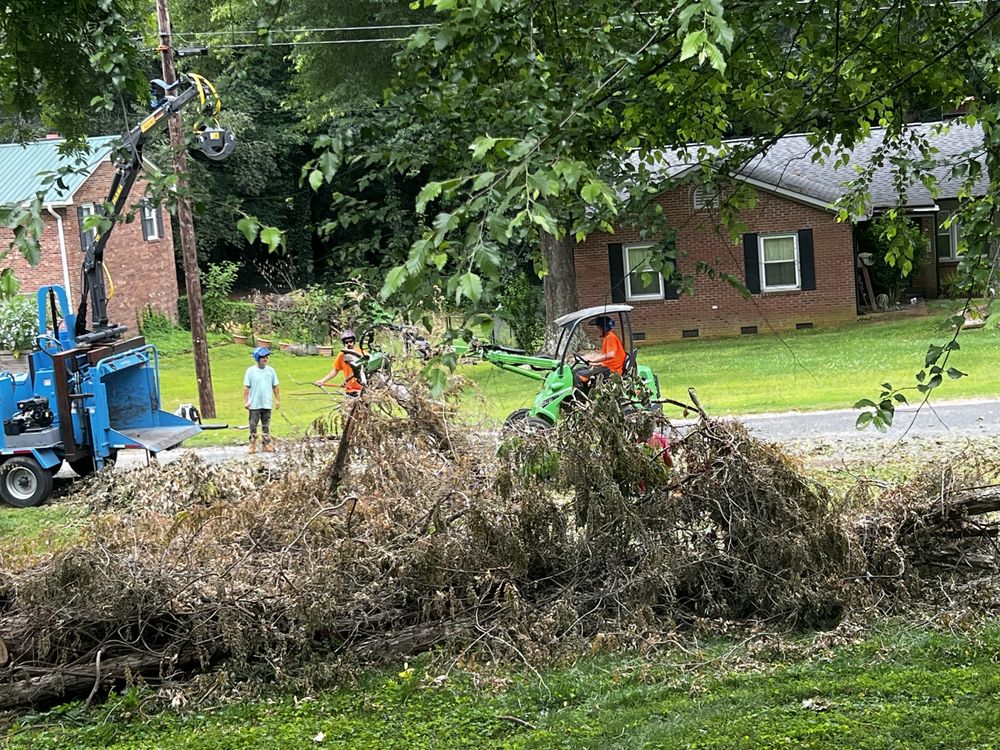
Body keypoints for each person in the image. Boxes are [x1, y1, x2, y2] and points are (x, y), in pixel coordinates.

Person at [244, 346, 280, 453]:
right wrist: (246, 401)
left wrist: (277, 400)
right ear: (257, 358)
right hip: (254, 404)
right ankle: (252, 444)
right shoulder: (250, 371)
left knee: (266, 425)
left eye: (266, 357)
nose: (265, 359)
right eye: (263, 357)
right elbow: (246, 387)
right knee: (253, 425)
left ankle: (267, 444)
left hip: (266, 403)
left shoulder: (271, 371)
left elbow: (275, 386)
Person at [314, 329, 366, 395]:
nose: (349, 344)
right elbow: (334, 371)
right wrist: (322, 381)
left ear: (354, 341)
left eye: (351, 341)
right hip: (350, 390)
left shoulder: (362, 353)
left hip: (363, 389)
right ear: (344, 343)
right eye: (346, 342)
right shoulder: (342, 355)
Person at [578, 315, 627, 380]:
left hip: (613, 371)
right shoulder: (608, 337)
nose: (597, 330)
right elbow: (606, 358)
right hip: (608, 368)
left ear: (604, 328)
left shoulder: (610, 338)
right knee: (578, 370)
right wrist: (594, 362)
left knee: (579, 376)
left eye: (599, 328)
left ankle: (579, 390)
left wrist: (594, 360)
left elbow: (610, 355)